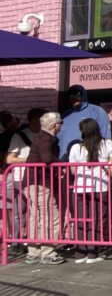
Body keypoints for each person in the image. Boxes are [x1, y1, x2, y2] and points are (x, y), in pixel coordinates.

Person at [68, 117, 112, 263]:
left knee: (81, 218)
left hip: (80, 186)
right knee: (97, 218)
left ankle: (80, 253)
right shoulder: (108, 144)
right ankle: (92, 252)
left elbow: (73, 171)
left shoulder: (76, 148)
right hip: (100, 186)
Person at [23, 112, 65, 265]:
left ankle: (33, 252)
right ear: (55, 125)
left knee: (36, 216)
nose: (61, 125)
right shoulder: (47, 139)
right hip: (40, 183)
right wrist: (62, 165)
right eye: (61, 123)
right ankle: (48, 252)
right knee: (50, 215)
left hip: (30, 182)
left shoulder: (39, 137)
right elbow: (47, 158)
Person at [5, 108, 44, 256]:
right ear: (34, 119)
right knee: (19, 211)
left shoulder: (43, 136)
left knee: (35, 211)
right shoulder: (20, 136)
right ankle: (17, 242)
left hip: (37, 178)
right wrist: (30, 160)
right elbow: (10, 159)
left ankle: (32, 242)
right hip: (20, 178)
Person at [57, 85, 111, 160]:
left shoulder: (97, 111)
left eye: (77, 94)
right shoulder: (65, 116)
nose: (74, 97)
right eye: (71, 95)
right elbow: (57, 139)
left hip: (88, 162)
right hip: (64, 162)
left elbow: (106, 137)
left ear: (84, 95)